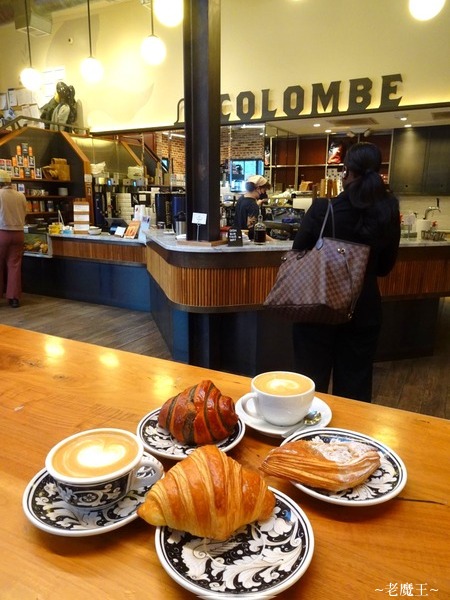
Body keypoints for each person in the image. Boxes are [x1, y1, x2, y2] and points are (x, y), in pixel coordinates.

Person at [291, 142, 401, 402]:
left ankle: (310, 429)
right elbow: (384, 268)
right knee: (355, 389)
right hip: (364, 310)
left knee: (310, 386)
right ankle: (350, 429)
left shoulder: (323, 209)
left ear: (346, 172)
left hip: (318, 308)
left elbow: (298, 253)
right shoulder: (388, 212)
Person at [0, 171, 27, 308]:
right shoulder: (20, 195)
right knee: (14, 265)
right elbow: (25, 213)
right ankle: (14, 298)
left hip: (2, 232)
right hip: (18, 233)